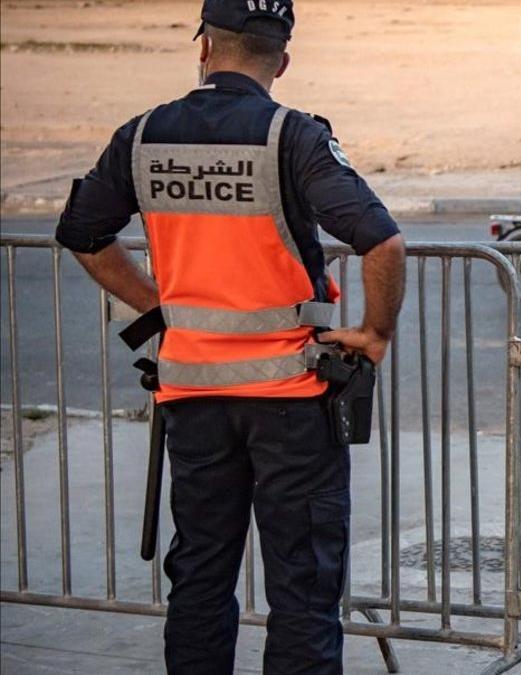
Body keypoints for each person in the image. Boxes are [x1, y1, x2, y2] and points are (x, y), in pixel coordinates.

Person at [54, 1, 407, 671]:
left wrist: (157, 305)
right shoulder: (291, 137)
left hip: (191, 395)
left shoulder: (145, 135)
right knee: (302, 587)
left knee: (201, 578)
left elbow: (82, 233)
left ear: (205, 49)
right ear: (283, 60)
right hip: (291, 397)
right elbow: (382, 240)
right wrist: (374, 332)